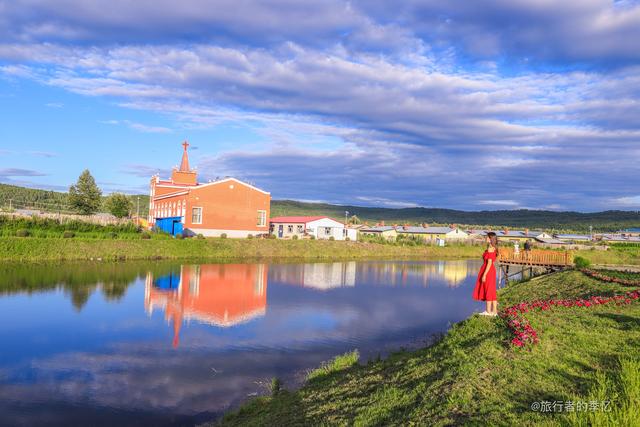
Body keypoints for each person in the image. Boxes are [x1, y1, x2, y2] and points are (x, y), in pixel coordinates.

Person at [473, 232, 498, 316]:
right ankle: (494, 312)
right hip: (490, 270)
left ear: (491, 238)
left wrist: (484, 274)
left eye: (487, 237)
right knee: (491, 291)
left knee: (488, 290)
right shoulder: (492, 247)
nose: (485, 238)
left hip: (488, 271)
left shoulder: (491, 248)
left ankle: (488, 311)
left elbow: (489, 263)